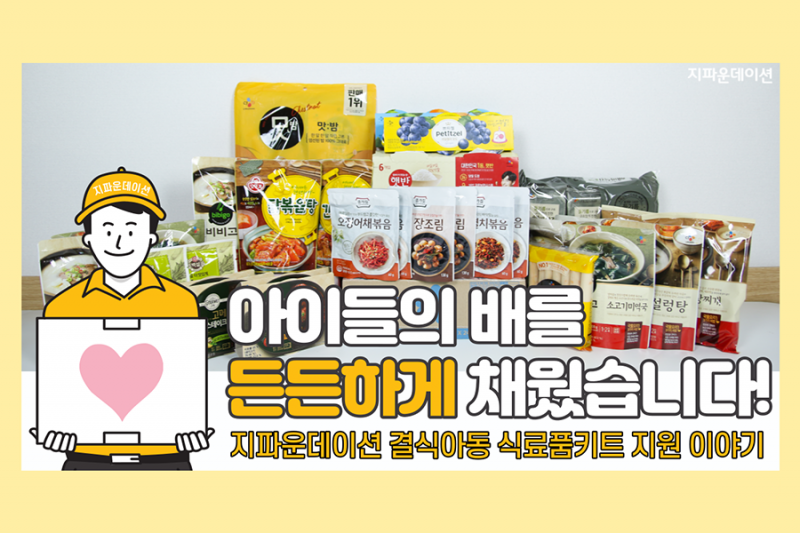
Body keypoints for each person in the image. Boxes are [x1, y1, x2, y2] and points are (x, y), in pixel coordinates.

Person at [35, 167, 212, 470]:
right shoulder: (62, 308)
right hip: (85, 455)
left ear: (150, 239)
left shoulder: (180, 301)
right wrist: (53, 426)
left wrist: (194, 424)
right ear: (89, 240)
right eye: (107, 231)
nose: (119, 242)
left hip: (166, 454)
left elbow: (186, 380)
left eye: (132, 231)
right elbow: (58, 385)